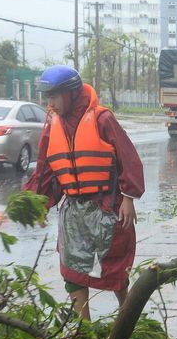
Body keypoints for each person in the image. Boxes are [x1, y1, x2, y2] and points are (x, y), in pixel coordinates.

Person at [24, 65, 145, 321]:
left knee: (114, 269)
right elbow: (45, 171)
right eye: (48, 97)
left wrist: (128, 198)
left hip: (106, 207)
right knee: (72, 270)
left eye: (54, 96)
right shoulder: (52, 126)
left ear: (70, 93)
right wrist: (38, 204)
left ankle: (128, 321)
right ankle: (84, 332)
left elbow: (128, 159)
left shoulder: (102, 119)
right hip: (73, 211)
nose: (50, 103)